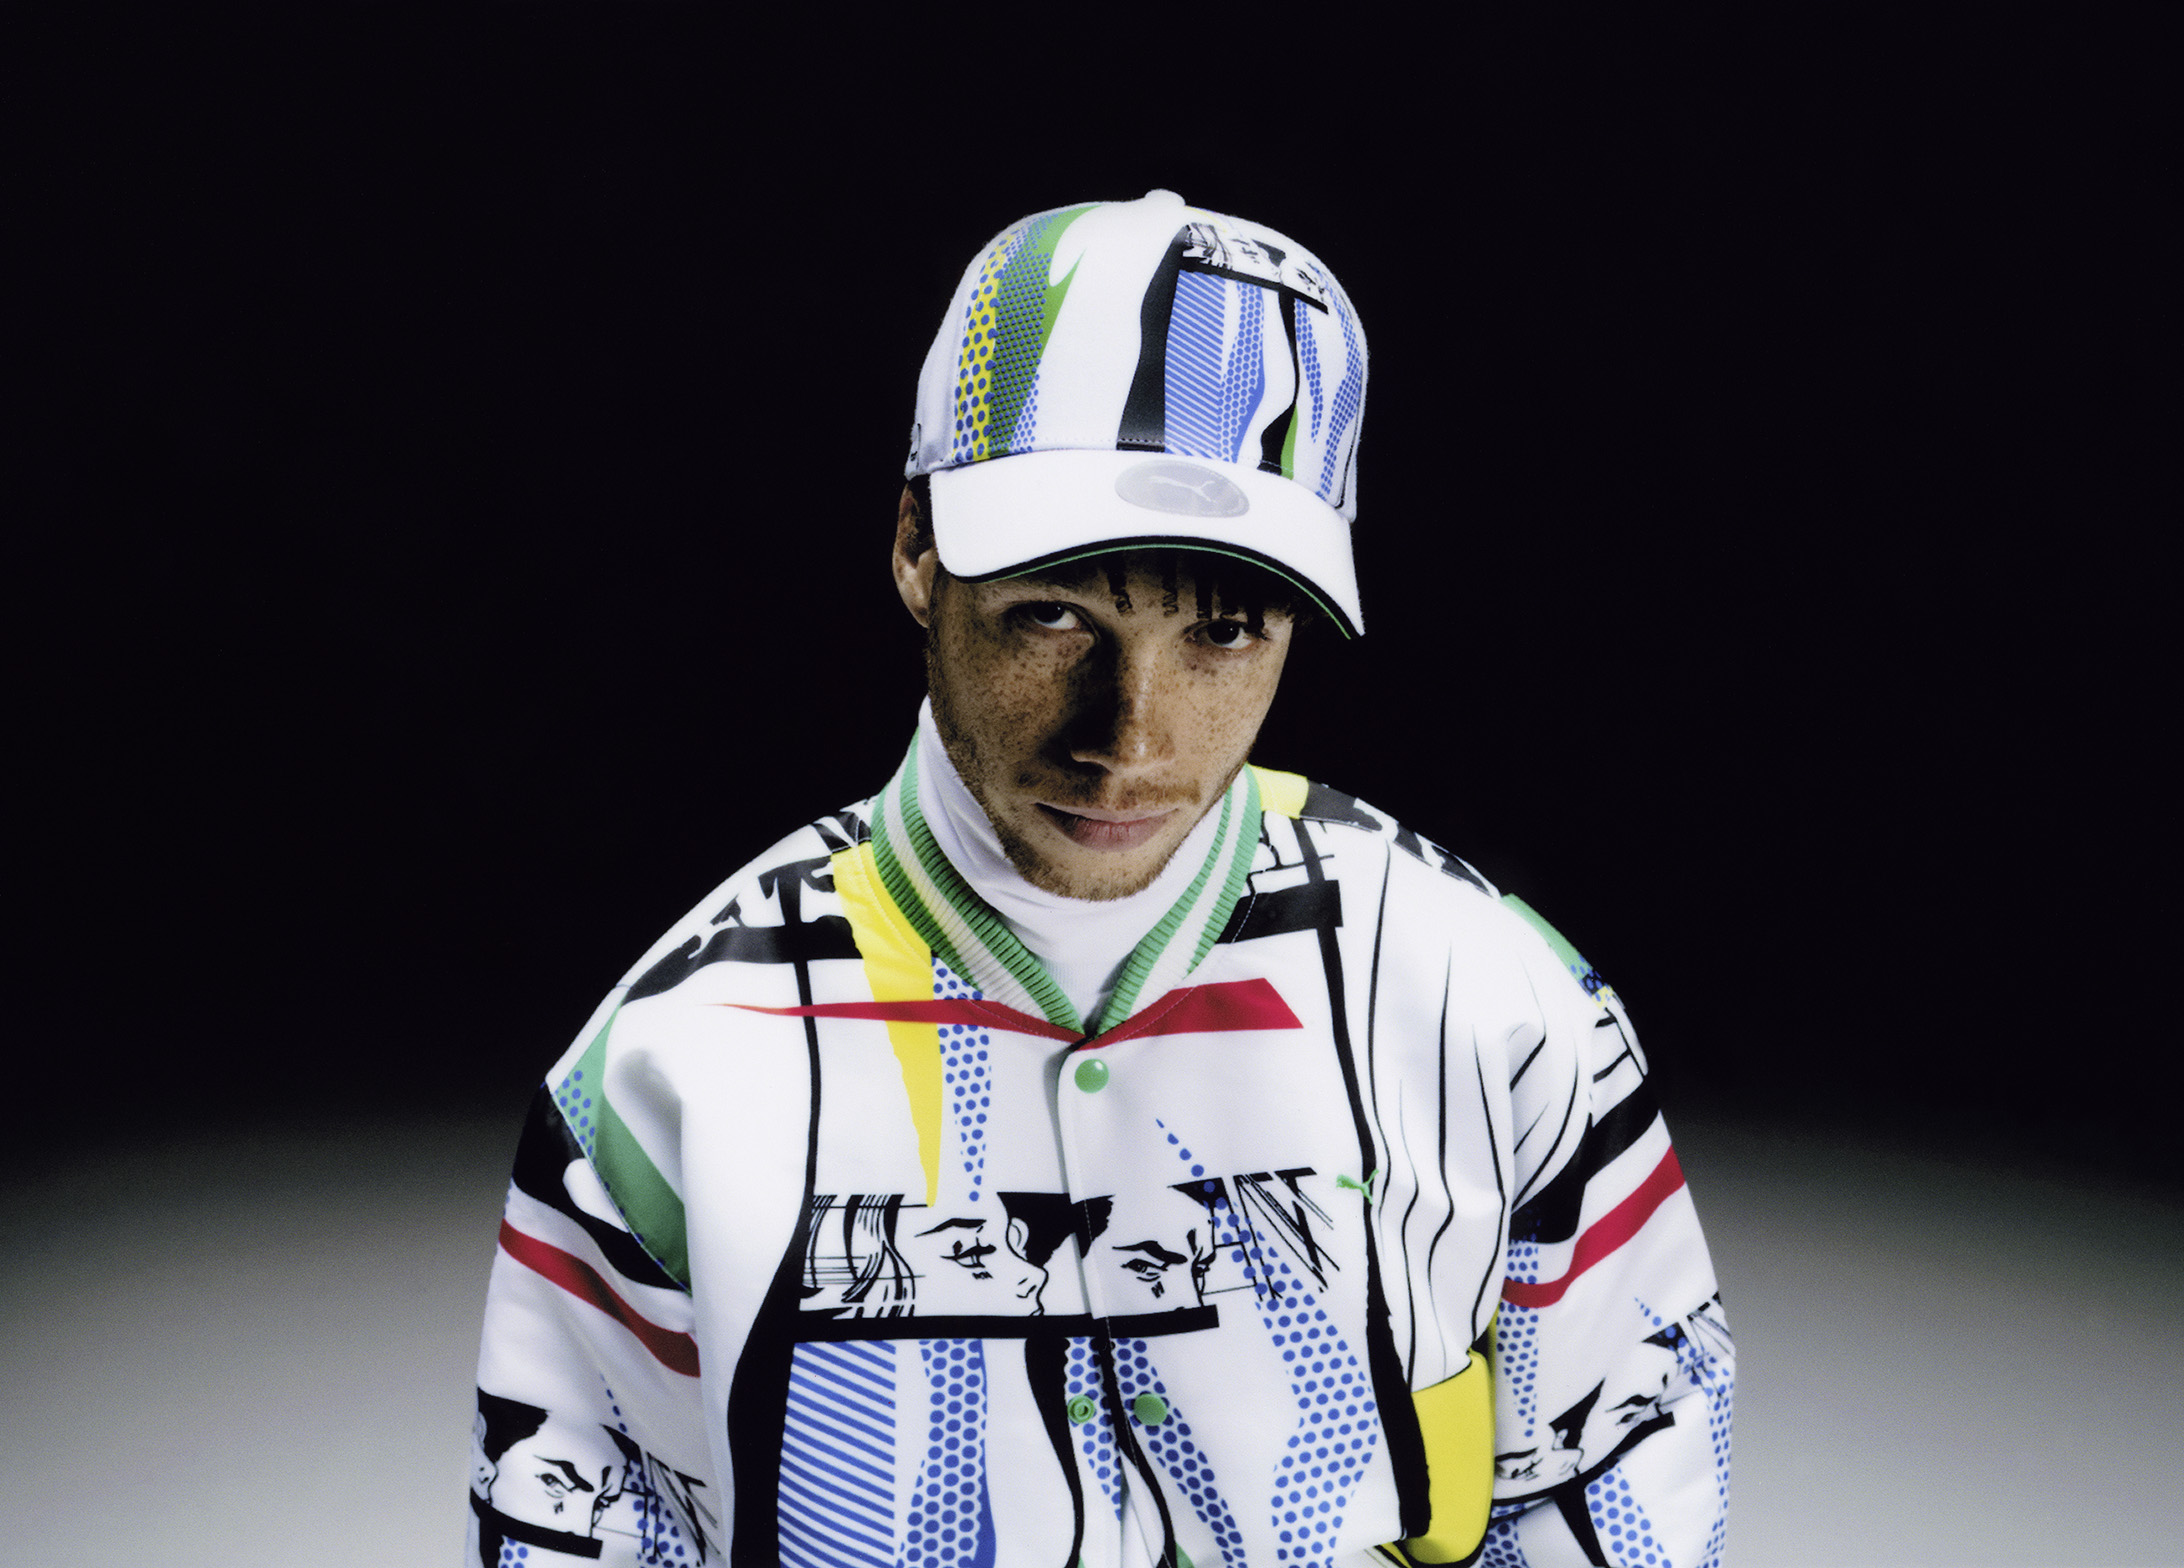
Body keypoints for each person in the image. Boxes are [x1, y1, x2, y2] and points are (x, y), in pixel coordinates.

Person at [469, 189, 1734, 1568]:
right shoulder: (666, 1072)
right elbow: (571, 1521)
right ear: (916, 549)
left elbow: (1624, 1478)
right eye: (1054, 615)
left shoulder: (1498, 1008)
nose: (1130, 738)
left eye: (1224, 631)